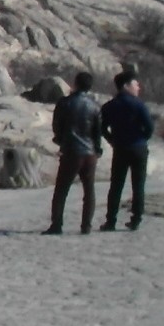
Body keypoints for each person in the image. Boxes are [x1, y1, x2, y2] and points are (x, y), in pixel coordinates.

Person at [44, 70, 102, 235]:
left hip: (71, 151)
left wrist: (61, 140)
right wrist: (97, 149)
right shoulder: (94, 106)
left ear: (75, 84)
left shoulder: (65, 103)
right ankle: (86, 226)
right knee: (89, 190)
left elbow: (57, 126)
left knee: (61, 190)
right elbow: (98, 131)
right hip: (89, 152)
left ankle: (57, 225)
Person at [98, 68, 155, 231]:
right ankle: (136, 218)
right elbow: (150, 127)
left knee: (116, 185)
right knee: (138, 185)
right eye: (135, 85)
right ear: (126, 86)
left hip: (120, 148)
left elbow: (102, 127)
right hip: (138, 147)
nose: (138, 88)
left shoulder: (109, 106)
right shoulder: (139, 105)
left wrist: (112, 140)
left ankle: (111, 220)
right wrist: (142, 138)